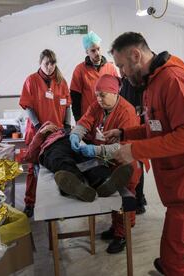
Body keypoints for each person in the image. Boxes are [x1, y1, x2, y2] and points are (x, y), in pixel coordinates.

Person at [104, 32, 184, 275]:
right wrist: (125, 132)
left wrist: (135, 151)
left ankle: (176, 268)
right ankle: (177, 267)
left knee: (174, 244)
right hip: (177, 178)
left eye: (122, 66)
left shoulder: (173, 80)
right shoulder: (152, 83)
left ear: (136, 55)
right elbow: (157, 127)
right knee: (181, 236)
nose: (122, 74)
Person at [69, 74, 145, 254]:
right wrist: (76, 134)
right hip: (107, 161)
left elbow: (124, 147)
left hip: (125, 163)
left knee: (124, 199)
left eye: (102, 95)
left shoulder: (126, 112)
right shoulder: (98, 105)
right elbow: (85, 120)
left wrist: (95, 151)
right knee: (113, 196)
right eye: (96, 95)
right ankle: (116, 228)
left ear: (114, 92)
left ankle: (122, 234)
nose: (98, 99)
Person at [22, 121, 133, 202]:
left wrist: (74, 134)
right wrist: (41, 133)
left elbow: (82, 131)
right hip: (51, 147)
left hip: (71, 142)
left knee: (88, 160)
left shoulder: (64, 129)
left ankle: (104, 182)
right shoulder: (42, 132)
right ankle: (77, 185)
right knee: (61, 161)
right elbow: (29, 156)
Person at [19, 49, 72, 217]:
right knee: (33, 168)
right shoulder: (31, 80)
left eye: (52, 63)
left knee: (55, 166)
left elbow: (67, 105)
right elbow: (28, 106)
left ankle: (56, 203)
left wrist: (67, 125)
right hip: (37, 132)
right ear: (40, 63)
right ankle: (30, 203)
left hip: (56, 133)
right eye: (46, 63)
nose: (50, 67)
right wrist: (38, 127)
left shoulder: (61, 81)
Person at [70, 31, 118, 122]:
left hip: (108, 116)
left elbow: (118, 93)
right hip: (88, 117)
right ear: (87, 52)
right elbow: (75, 97)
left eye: (98, 49)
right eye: (93, 50)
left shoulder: (111, 68)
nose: (97, 53)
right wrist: (78, 119)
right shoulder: (80, 70)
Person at [119, 77, 148, 214]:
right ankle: (138, 198)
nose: (121, 69)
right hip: (128, 126)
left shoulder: (135, 80)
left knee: (137, 163)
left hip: (136, 125)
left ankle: (138, 201)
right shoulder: (124, 80)